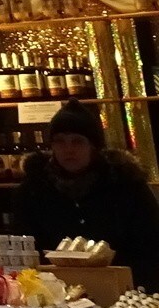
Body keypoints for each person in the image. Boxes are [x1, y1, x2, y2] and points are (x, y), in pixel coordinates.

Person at [15, 102, 159, 290]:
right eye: (60, 141)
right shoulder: (33, 189)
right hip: (54, 293)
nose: (68, 149)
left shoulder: (126, 185)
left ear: (93, 146)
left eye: (77, 141)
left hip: (123, 292)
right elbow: (26, 248)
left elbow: (150, 248)